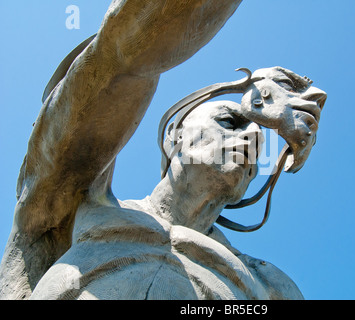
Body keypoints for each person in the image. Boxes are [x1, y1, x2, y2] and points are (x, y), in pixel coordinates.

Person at [0, 0, 326, 300]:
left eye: (260, 142)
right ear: (175, 136)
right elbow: (121, 58)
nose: (252, 139)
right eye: (230, 122)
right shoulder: (78, 203)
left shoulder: (268, 284)